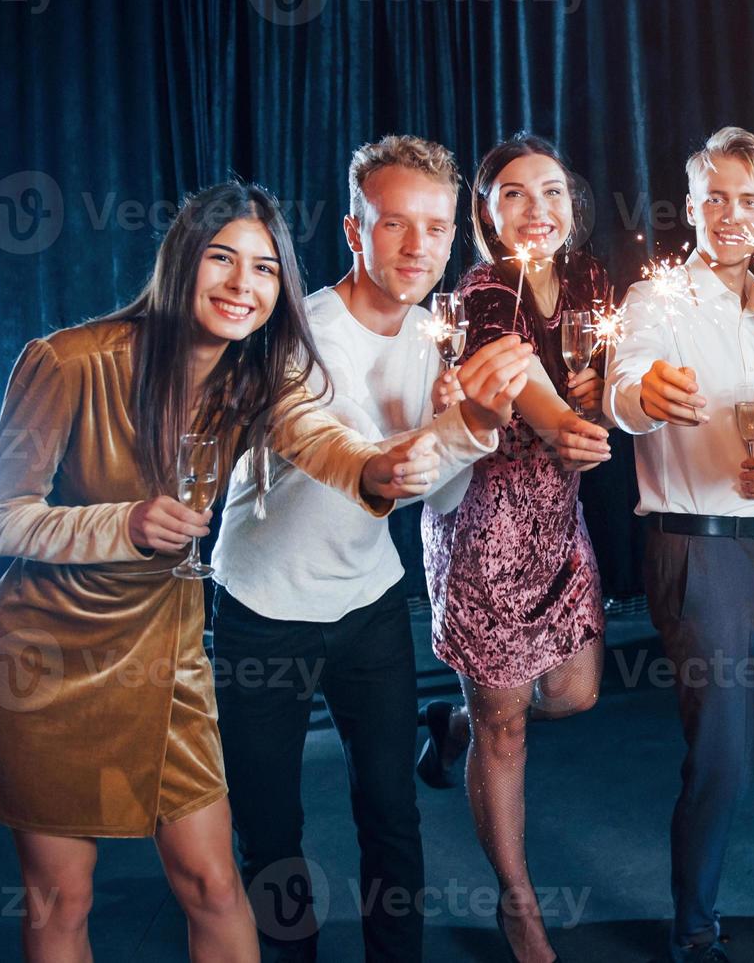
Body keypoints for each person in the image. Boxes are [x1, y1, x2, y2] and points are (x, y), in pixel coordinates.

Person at [0, 181, 445, 963]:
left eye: (263, 270)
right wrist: (123, 522)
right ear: (182, 259)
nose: (241, 285)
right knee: (65, 898)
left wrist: (380, 466)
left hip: (170, 658)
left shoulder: (251, 378)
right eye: (222, 259)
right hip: (48, 662)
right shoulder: (69, 360)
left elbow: (319, 437)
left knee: (215, 886)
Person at [208, 136, 534, 962]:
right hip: (263, 608)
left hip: (368, 603)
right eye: (393, 224)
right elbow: (317, 439)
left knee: (390, 810)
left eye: (434, 226)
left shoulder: (437, 339)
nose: (418, 246)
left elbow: (438, 492)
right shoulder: (296, 335)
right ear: (355, 234)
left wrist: (469, 430)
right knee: (271, 826)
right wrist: (398, 456)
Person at [605, 127, 754, 963]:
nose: (731, 214)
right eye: (715, 197)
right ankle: (694, 935)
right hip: (697, 552)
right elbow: (624, 392)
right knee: (722, 756)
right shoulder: (655, 299)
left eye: (748, 200)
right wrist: (645, 395)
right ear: (693, 205)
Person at [420, 133, 613, 963]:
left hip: (559, 524)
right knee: (512, 733)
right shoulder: (483, 286)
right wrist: (569, 424)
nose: (538, 208)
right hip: (485, 530)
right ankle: (518, 904)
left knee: (571, 695)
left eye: (553, 191)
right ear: (486, 213)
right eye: (515, 194)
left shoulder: (593, 279)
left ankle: (458, 719)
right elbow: (509, 368)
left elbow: (604, 373)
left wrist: (596, 406)